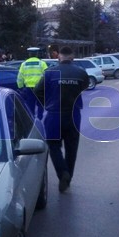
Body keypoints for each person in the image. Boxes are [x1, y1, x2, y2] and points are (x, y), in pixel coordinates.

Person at [33, 46, 88, 193]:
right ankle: (68, 177)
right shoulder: (81, 73)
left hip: (54, 114)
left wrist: (47, 102)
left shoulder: (50, 73)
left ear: (59, 58)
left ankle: (62, 172)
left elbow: (37, 91)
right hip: (74, 114)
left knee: (53, 146)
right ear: (73, 57)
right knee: (72, 148)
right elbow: (85, 86)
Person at [16, 47, 47, 119]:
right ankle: (40, 118)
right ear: (37, 54)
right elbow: (47, 75)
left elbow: (19, 78)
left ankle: (32, 120)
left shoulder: (24, 64)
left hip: (29, 89)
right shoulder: (42, 63)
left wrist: (20, 87)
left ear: (29, 54)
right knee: (40, 104)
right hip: (40, 88)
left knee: (30, 105)